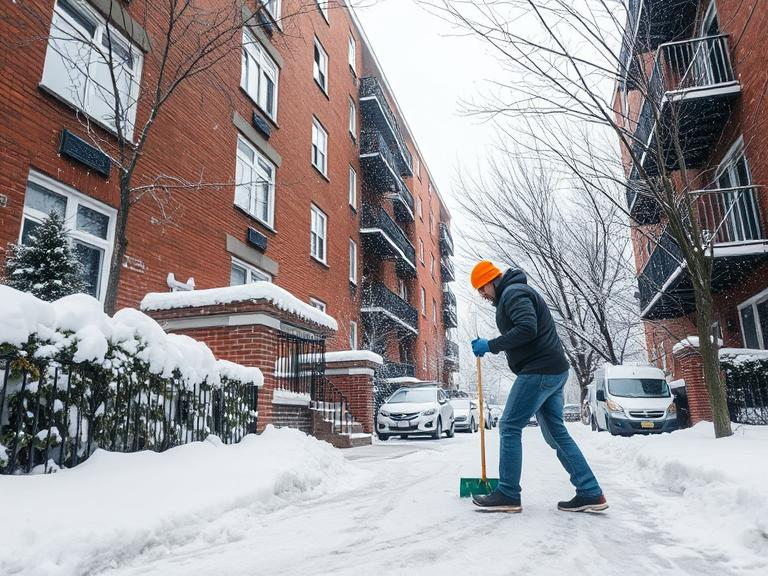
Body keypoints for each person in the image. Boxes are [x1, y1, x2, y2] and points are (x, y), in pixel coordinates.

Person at [469, 261, 607, 513]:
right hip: (553, 370)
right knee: (556, 433)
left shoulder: (513, 293)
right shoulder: (515, 292)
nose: (483, 295)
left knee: (509, 425)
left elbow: (527, 328)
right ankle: (590, 491)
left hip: (539, 370)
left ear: (491, 281)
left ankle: (508, 494)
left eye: (481, 289)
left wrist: (491, 345)